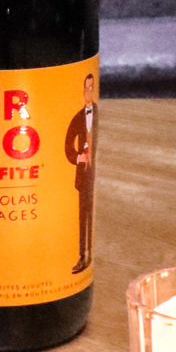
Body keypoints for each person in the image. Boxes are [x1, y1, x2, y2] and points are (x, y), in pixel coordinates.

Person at [64, 73, 97, 274]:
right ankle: (82, 256)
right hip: (84, 176)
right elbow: (67, 144)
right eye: (87, 88)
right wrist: (78, 158)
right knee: (83, 218)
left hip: (97, 173)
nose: (89, 92)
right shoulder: (78, 116)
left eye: (92, 87)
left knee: (92, 215)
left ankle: (91, 254)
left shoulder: (100, 113)